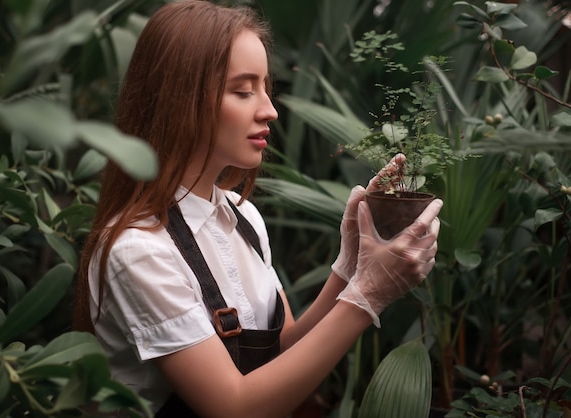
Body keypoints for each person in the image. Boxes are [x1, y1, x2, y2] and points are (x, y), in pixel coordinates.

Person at [72, 1, 443, 417]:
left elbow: (281, 353)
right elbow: (235, 407)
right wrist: (368, 297)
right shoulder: (139, 251)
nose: (270, 110)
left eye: (266, 87)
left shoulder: (242, 216)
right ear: (178, 99)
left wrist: (350, 267)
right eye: (243, 91)